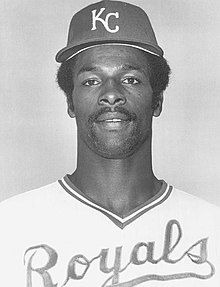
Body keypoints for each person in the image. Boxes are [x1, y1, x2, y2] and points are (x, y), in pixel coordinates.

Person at [0, 1, 219, 286]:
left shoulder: (212, 228)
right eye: (91, 81)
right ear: (70, 102)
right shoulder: (10, 225)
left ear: (157, 100)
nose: (111, 94)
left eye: (130, 79)